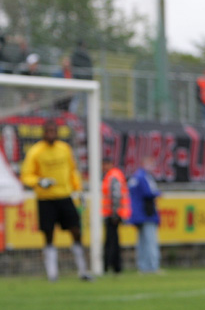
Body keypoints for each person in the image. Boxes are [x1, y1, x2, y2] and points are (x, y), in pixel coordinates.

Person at [19, 119, 92, 281]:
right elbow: (26, 175)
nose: (51, 134)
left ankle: (83, 271)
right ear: (43, 133)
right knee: (49, 235)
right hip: (46, 199)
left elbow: (72, 171)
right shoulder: (36, 151)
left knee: (76, 231)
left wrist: (78, 190)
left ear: (57, 133)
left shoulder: (64, 149)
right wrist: (39, 182)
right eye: (48, 131)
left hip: (64, 197)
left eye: (53, 131)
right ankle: (52, 274)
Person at [128, 157, 162, 274]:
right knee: (150, 241)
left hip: (138, 214)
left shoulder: (135, 177)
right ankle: (152, 266)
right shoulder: (143, 177)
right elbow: (149, 193)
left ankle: (143, 266)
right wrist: (158, 193)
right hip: (146, 213)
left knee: (142, 242)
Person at [102, 157, 130, 274]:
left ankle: (112, 266)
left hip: (113, 214)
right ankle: (113, 266)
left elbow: (116, 195)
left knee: (112, 242)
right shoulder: (112, 175)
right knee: (112, 240)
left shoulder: (113, 176)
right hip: (113, 213)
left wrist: (114, 213)